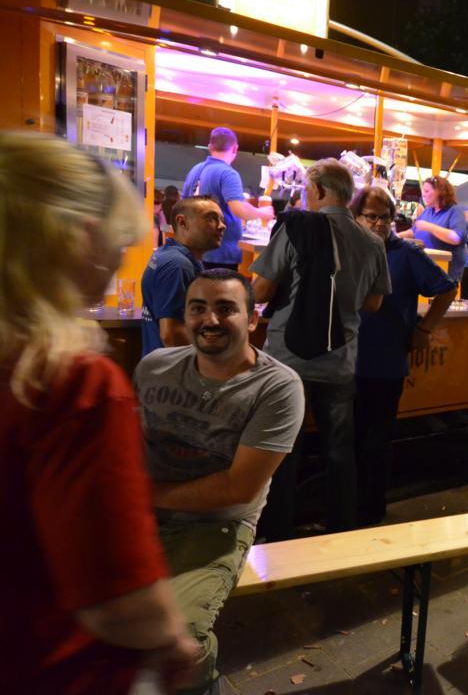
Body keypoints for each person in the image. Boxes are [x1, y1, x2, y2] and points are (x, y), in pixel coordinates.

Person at [0, 132, 198, 693]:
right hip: (59, 668)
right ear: (84, 237)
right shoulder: (71, 381)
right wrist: (174, 640)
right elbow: (117, 594)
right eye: (118, 242)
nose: (120, 260)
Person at [135, 269, 305, 694]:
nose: (209, 319)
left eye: (226, 309)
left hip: (217, 526)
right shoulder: (154, 367)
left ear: (252, 318)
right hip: (140, 517)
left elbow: (238, 489)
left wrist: (139, 496)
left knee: (179, 639)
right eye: (198, 308)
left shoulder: (278, 387)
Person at [252, 159, 390, 540]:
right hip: (341, 361)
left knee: (283, 451)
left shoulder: (296, 226)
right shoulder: (372, 241)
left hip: (288, 360)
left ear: (317, 189)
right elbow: (375, 303)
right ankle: (340, 531)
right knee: (339, 452)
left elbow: (261, 290)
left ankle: (277, 534)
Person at [350, 187, 457, 525]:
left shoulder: (406, 253)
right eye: (371, 216)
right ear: (356, 218)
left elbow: (446, 288)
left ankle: (371, 511)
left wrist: (424, 329)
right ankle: (345, 508)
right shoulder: (348, 249)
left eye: (385, 217)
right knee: (347, 441)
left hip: (386, 363)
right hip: (343, 363)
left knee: (376, 442)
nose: (379, 224)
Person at [141, 196, 225, 357]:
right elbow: (171, 335)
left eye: (221, 219)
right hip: (172, 369)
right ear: (182, 222)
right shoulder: (177, 265)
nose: (222, 226)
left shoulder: (172, 256)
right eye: (211, 219)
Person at [181, 127, 273, 270]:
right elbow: (238, 209)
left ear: (210, 147)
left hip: (195, 250)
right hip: (220, 254)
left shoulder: (195, 170)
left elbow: (182, 206)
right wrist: (262, 213)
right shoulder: (227, 173)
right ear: (235, 148)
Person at [397, 175, 467, 282]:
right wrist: (398, 236)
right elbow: (414, 231)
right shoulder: (428, 211)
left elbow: (457, 238)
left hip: (445, 273)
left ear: (440, 192)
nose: (423, 195)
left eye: (426, 191)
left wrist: (430, 227)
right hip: (425, 270)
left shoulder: (455, 211)